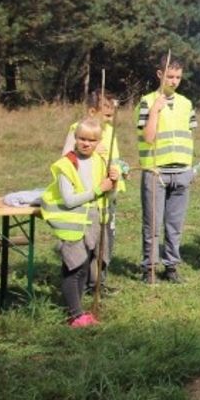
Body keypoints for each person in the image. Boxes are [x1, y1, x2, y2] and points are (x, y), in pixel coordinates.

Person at [41, 119, 120, 326]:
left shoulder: (100, 162)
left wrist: (113, 183)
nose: (86, 143)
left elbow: (108, 198)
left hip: (92, 224)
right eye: (82, 138)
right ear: (75, 138)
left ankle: (78, 312)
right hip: (71, 225)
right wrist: (97, 190)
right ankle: (75, 315)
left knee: (84, 268)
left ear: (98, 142)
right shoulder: (65, 164)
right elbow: (69, 200)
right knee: (73, 268)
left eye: (91, 140)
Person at [136, 56, 197, 283]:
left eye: (178, 77)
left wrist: (189, 169)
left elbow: (189, 136)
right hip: (156, 171)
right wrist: (155, 111)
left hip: (181, 171)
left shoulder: (186, 103)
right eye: (170, 76)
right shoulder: (147, 101)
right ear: (159, 74)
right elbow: (148, 137)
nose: (174, 81)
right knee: (152, 224)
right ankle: (149, 268)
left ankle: (171, 266)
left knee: (175, 224)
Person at [62, 91, 127, 292]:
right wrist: (89, 150)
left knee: (105, 240)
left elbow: (113, 160)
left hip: (108, 196)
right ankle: (83, 282)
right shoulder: (78, 130)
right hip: (88, 197)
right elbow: (66, 158)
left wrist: (122, 171)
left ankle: (99, 282)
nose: (111, 119)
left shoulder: (108, 132)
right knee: (87, 240)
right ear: (92, 112)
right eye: (107, 114)